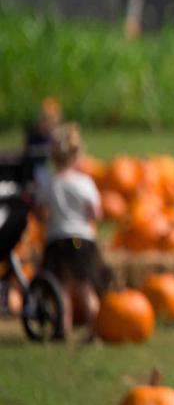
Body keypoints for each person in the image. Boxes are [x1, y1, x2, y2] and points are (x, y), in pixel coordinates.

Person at [34, 124, 109, 339]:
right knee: (85, 286)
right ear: (77, 155)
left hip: (57, 240)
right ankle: (94, 329)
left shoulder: (49, 182)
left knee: (62, 289)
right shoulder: (84, 182)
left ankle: (63, 330)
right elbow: (96, 213)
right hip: (80, 240)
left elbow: (41, 211)